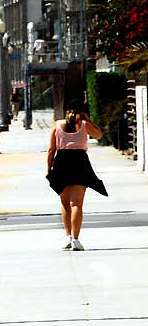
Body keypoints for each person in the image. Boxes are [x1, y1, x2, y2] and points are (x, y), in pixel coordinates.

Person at [46, 99, 108, 251]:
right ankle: (76, 240)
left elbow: (51, 150)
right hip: (80, 163)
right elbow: (99, 135)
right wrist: (88, 120)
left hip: (62, 163)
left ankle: (67, 237)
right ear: (81, 112)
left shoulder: (57, 125)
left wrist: (49, 169)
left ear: (66, 111)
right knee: (77, 204)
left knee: (65, 203)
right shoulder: (85, 126)